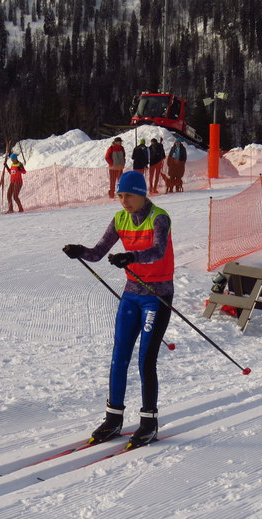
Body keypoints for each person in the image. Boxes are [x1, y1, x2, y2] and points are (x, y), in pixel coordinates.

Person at [62, 170, 174, 448]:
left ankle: (148, 423)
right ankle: (113, 420)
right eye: (120, 195)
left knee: (146, 360)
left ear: (142, 194)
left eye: (129, 195)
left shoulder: (159, 217)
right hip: (131, 295)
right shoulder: (120, 218)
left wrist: (130, 257)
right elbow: (98, 252)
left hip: (157, 296)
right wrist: (80, 251)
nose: (124, 201)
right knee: (119, 356)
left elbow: (158, 251)